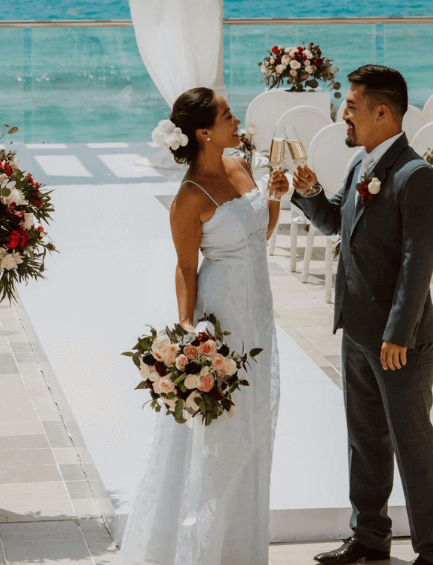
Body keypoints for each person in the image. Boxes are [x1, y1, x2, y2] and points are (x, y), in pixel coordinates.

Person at [291, 65, 433, 565]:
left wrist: (397, 334)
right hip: (358, 331)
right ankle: (369, 536)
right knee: (364, 439)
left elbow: (416, 262)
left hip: (396, 340)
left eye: (352, 105)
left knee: (413, 443)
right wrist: (309, 193)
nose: (344, 113)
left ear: (382, 112)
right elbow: (333, 222)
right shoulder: (360, 166)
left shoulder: (416, 175)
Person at [120, 87, 287, 565]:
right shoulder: (188, 198)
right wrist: (189, 330)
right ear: (203, 132)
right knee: (220, 436)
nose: (238, 122)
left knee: (255, 424)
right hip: (224, 317)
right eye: (228, 115)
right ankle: (200, 548)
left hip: (260, 315)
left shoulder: (240, 163)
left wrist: (274, 199)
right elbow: (185, 269)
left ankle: (241, 548)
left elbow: (259, 235)